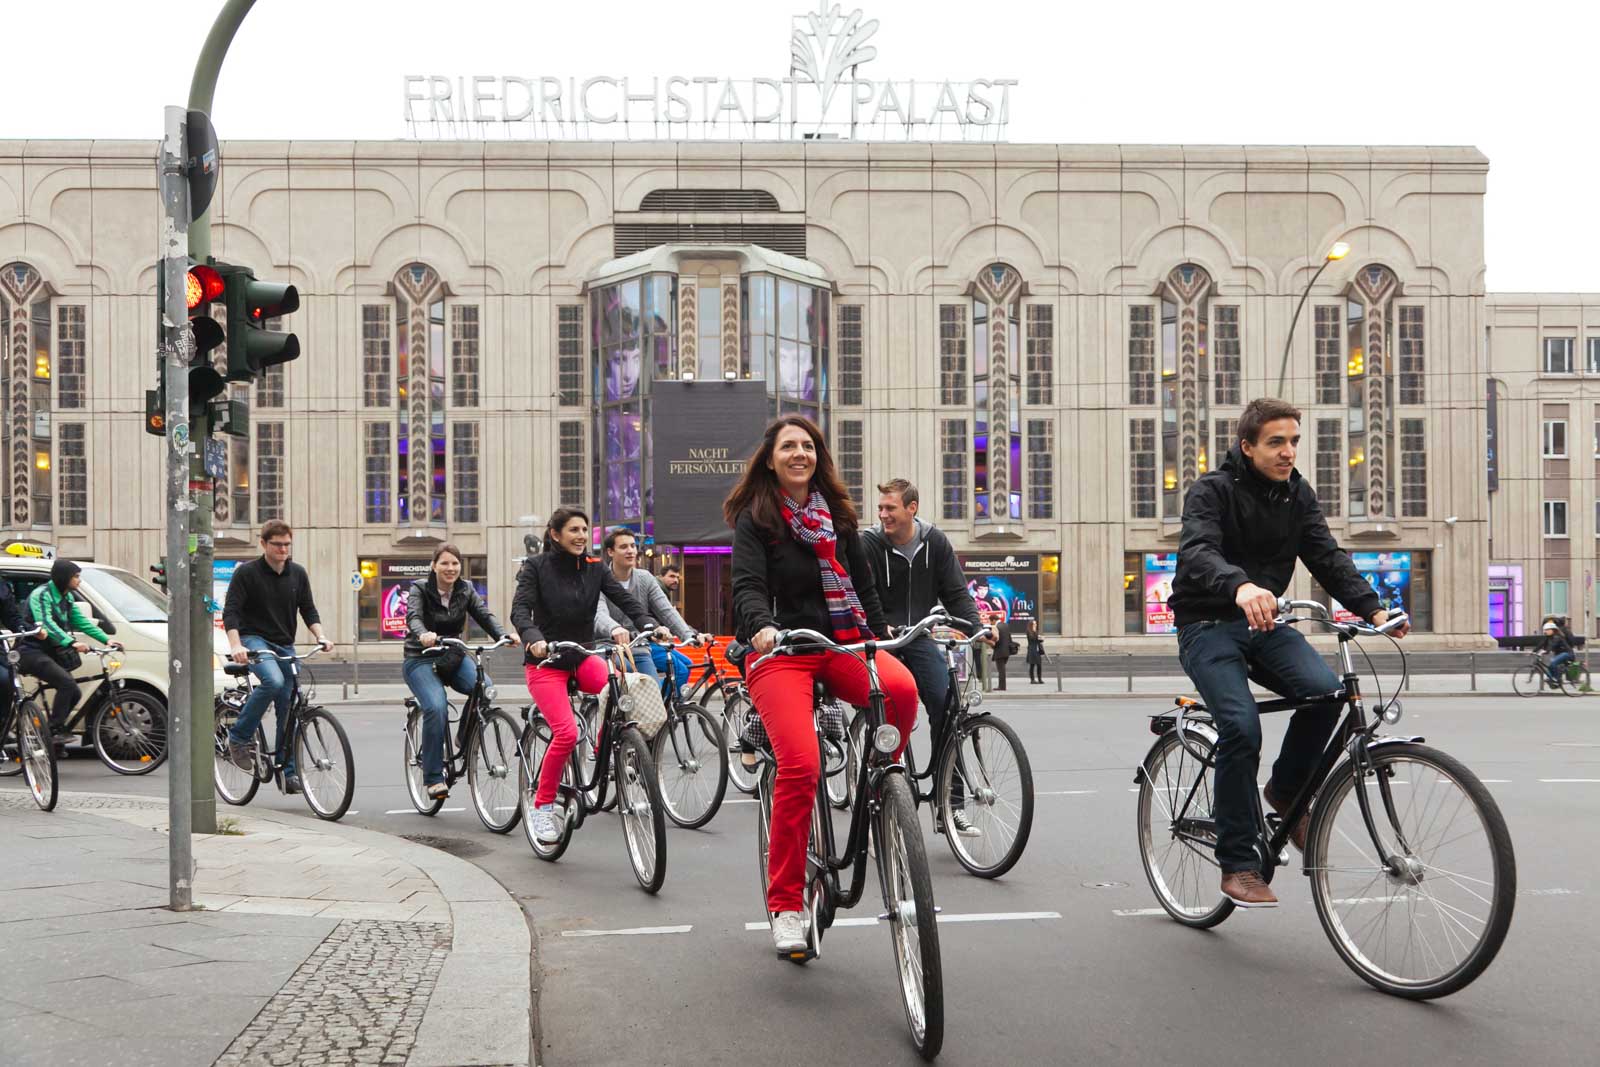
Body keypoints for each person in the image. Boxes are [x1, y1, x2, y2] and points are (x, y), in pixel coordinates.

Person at [1169, 398, 1408, 909]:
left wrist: (1373, 609)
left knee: (1327, 694)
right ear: (1247, 446)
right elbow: (1197, 551)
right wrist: (1240, 586)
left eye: (1294, 441)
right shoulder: (1212, 490)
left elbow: (1327, 557)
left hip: (1265, 624)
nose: (1288, 451)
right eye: (1276, 442)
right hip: (1207, 625)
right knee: (1240, 727)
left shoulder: (1297, 495)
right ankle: (1238, 863)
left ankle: (1286, 791)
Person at [726, 415, 920, 955]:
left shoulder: (838, 516)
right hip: (781, 652)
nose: (799, 453)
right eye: (788, 446)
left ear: (819, 457)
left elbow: (862, 586)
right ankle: (786, 903)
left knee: (902, 690)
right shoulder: (756, 519)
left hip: (840, 644)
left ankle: (881, 786)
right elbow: (747, 586)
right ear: (771, 460)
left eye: (808, 446)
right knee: (802, 765)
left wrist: (879, 636)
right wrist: (761, 626)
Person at [512, 507, 661, 846]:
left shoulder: (595, 568)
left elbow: (624, 599)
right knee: (566, 733)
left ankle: (606, 749)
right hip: (547, 662)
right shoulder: (536, 567)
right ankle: (542, 805)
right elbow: (519, 610)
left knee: (625, 689)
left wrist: (648, 624)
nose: (581, 536)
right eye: (574, 530)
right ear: (555, 534)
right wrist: (533, 638)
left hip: (582, 655)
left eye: (584, 529)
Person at [860, 478, 991, 837]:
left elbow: (957, 594)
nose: (882, 514)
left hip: (918, 636)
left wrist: (978, 628)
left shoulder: (935, 542)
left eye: (890, 508)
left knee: (946, 706)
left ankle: (950, 805)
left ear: (912, 508)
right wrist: (878, 627)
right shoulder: (869, 544)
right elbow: (860, 593)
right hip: (880, 639)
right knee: (883, 713)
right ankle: (878, 802)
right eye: (880, 508)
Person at [221, 521, 333, 794]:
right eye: (277, 544)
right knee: (273, 681)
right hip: (254, 640)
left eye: (287, 544)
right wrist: (236, 645)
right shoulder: (247, 573)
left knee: (290, 704)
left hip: (284, 644)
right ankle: (238, 738)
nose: (283, 549)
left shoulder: (297, 574)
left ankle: (288, 772)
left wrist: (321, 636)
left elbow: (308, 609)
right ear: (263, 544)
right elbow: (231, 611)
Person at [403, 543, 513, 800]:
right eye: (444, 563)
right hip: (419, 658)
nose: (450, 568)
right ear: (434, 566)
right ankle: (433, 777)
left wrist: (502, 634)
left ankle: (463, 739)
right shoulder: (420, 588)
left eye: (455, 563)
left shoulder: (466, 589)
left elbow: (483, 615)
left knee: (484, 687)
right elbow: (413, 617)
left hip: (451, 656)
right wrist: (423, 634)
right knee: (436, 706)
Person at [592, 528, 709, 693]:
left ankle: (664, 707)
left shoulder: (645, 578)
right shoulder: (600, 579)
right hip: (609, 647)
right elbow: (599, 613)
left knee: (653, 693)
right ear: (610, 552)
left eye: (633, 546)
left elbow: (666, 610)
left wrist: (688, 634)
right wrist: (614, 628)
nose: (630, 551)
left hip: (639, 646)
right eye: (624, 547)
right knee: (625, 683)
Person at [18, 560, 121, 744]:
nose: (79, 580)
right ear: (63, 577)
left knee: (75, 692)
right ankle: (54, 731)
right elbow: (46, 624)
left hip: (51, 651)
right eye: (76, 576)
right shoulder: (41, 595)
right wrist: (72, 642)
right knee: (66, 683)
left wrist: (106, 639)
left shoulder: (67, 597)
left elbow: (81, 621)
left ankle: (53, 736)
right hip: (31, 650)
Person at [1536, 619, 1575, 687]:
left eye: (1547, 630)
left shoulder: (1557, 637)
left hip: (1567, 653)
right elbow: (1541, 644)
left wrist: (1546, 651)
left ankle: (1557, 679)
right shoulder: (1548, 637)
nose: (1545, 631)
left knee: (1553, 662)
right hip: (1560, 654)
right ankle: (1554, 679)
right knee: (1550, 665)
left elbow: (1552, 645)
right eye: (1545, 630)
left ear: (1552, 630)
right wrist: (1533, 651)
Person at [991, 616, 1013, 691]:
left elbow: (997, 639)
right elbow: (1009, 638)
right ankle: (1002, 686)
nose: (991, 623)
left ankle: (1002, 687)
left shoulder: (996, 627)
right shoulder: (1006, 625)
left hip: (999, 651)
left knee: (1001, 670)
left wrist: (992, 645)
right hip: (1007, 651)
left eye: (991, 622)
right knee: (1002, 669)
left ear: (994, 620)